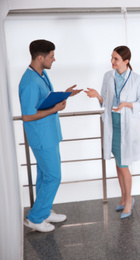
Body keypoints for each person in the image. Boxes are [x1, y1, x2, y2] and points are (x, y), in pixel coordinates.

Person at [19, 39, 82, 232]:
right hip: (41, 137)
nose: (54, 60)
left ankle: (44, 211)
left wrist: (64, 95)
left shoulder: (41, 74)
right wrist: (55, 108)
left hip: (49, 134)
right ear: (40, 57)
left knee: (45, 175)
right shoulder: (29, 82)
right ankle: (35, 218)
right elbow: (28, 115)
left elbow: (44, 99)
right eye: (51, 56)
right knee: (54, 176)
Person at [85, 45, 140, 219]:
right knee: (119, 165)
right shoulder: (108, 76)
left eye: (116, 59)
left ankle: (129, 200)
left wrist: (126, 104)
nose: (112, 61)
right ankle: (123, 197)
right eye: (111, 57)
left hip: (127, 127)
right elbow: (106, 100)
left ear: (126, 61)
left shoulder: (137, 79)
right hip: (113, 125)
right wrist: (97, 95)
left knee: (124, 165)